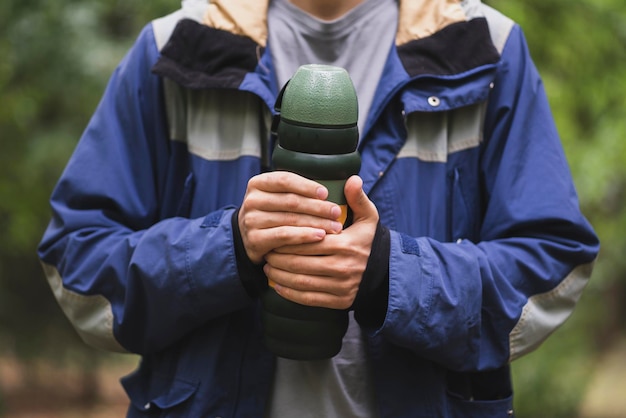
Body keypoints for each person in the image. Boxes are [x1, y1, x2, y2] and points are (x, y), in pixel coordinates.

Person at [37, 0, 600, 416]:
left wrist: (389, 273)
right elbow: (77, 269)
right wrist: (226, 248)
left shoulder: (484, 49)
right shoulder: (177, 48)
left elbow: (550, 270)